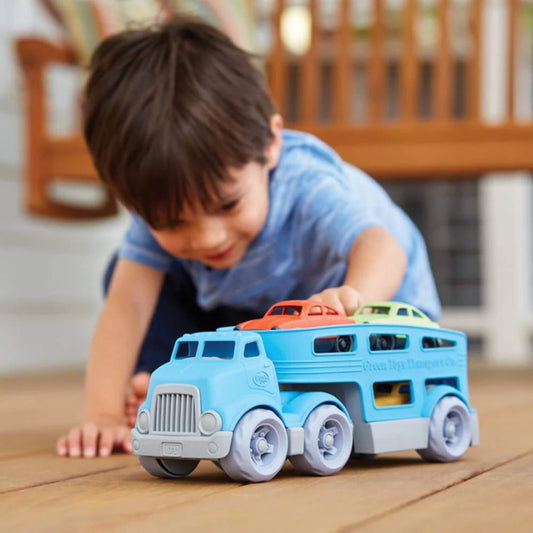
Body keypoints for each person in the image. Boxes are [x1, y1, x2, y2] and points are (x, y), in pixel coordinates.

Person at [56, 17, 440, 458]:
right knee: (127, 276)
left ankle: (177, 385)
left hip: (376, 322)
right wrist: (99, 413)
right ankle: (175, 386)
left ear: (270, 144)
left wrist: (352, 302)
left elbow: (383, 247)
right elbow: (128, 304)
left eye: (227, 205)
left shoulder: (306, 184)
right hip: (266, 319)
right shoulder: (166, 195)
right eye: (172, 222)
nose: (206, 237)